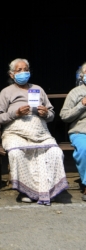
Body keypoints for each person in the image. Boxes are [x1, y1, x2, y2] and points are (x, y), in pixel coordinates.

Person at [0, 58, 69, 206]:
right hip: (15, 132)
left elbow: (52, 114)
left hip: (40, 132)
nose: (23, 73)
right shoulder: (6, 92)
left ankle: (46, 191)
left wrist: (46, 113)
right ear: (11, 74)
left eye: (26, 70)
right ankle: (26, 191)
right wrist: (15, 113)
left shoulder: (38, 89)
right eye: (19, 70)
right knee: (16, 153)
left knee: (55, 152)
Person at [60, 62, 86, 201]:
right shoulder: (75, 93)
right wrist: (81, 105)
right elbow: (64, 116)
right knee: (84, 149)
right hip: (81, 131)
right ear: (82, 75)